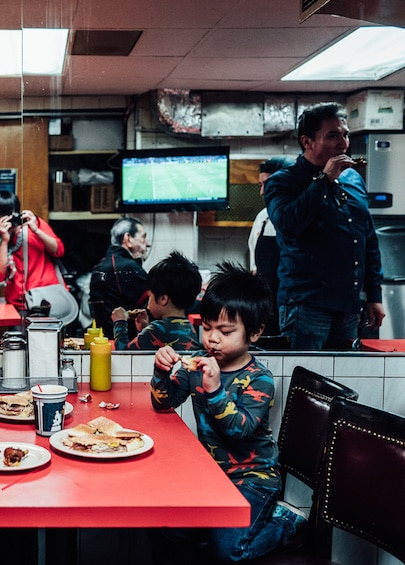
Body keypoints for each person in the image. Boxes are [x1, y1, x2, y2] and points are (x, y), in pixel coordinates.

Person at [151, 262, 306, 562]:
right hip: (211, 476)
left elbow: (239, 430)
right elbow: (164, 403)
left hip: (254, 479)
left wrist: (215, 389)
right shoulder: (198, 362)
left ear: (256, 331)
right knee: (167, 527)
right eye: (207, 327)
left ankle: (285, 523)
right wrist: (160, 371)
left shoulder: (260, 379)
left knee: (230, 551)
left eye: (225, 331)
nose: (212, 339)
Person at [264, 102, 385, 349]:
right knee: (304, 380)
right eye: (332, 136)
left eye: (345, 134)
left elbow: (367, 239)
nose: (343, 144)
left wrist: (374, 295)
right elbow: (287, 224)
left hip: (349, 306)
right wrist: (324, 180)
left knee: (343, 380)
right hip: (306, 304)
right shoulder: (283, 182)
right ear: (307, 142)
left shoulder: (353, 178)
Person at [0, 189, 65, 311]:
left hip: (46, 298)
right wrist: (4, 241)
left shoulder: (33, 224)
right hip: (17, 304)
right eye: (2, 216)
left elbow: (58, 251)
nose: (8, 219)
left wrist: (36, 230)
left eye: (10, 213)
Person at [111, 251, 201, 351]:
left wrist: (120, 322)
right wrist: (144, 329)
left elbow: (124, 353)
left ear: (163, 299)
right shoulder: (189, 327)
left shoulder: (158, 328)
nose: (148, 304)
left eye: (150, 296)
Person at [247, 156, 295, 336]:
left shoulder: (296, 215)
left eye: (266, 184)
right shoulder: (263, 217)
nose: (262, 192)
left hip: (289, 301)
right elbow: (254, 262)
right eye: (260, 185)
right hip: (265, 303)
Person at [89, 216, 150, 339]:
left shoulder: (102, 264)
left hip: (104, 336)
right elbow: (156, 302)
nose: (147, 244)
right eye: (143, 237)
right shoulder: (127, 267)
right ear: (128, 239)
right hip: (124, 338)